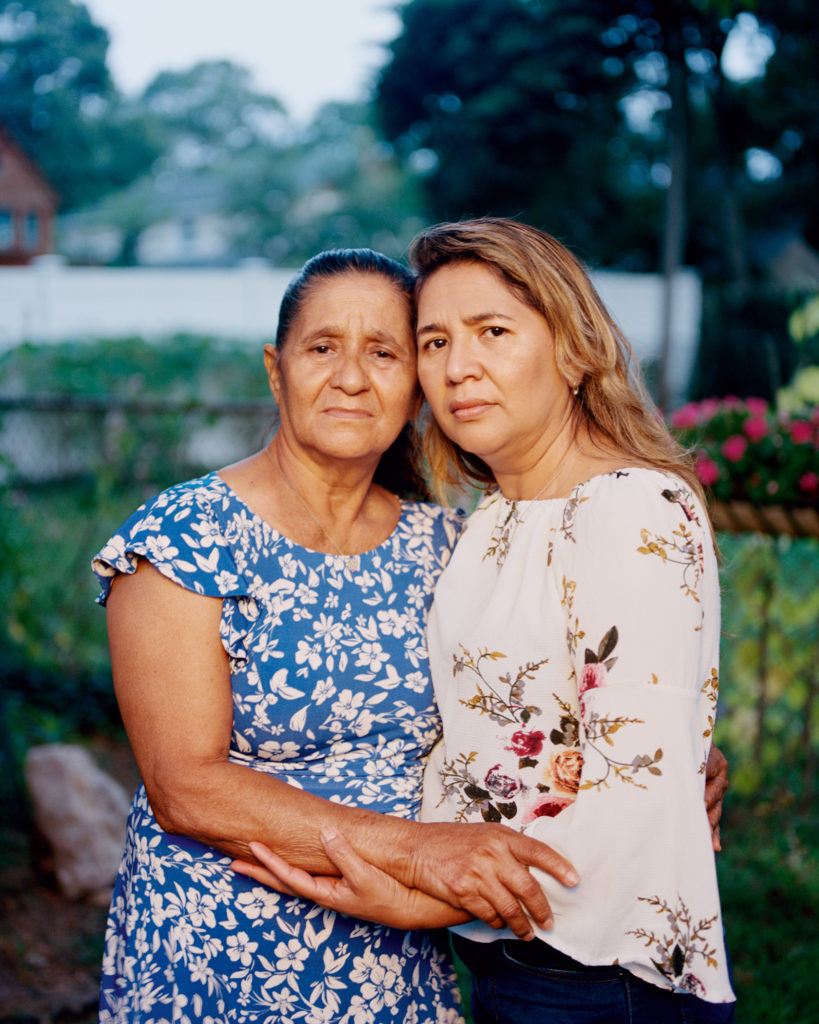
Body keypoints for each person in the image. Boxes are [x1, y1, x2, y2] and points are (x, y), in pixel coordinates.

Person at [241, 219, 736, 1023]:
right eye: (432, 343)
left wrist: (418, 904)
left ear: (574, 350)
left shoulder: (629, 505)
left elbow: (634, 797)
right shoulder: (496, 515)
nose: (457, 368)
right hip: (518, 956)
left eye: (492, 332)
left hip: (602, 972)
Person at [91, 247, 583, 1024]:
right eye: (322, 347)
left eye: (383, 352)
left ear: (416, 387)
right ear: (275, 368)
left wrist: (658, 757)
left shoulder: (450, 545)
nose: (351, 377)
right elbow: (185, 787)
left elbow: (540, 704)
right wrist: (417, 850)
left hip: (395, 959)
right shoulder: (186, 535)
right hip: (216, 956)